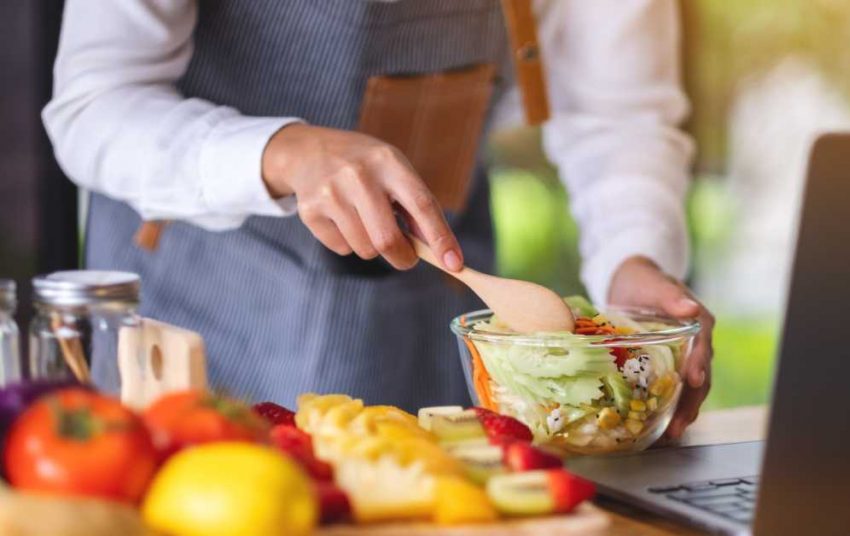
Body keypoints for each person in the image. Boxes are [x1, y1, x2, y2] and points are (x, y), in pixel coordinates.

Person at [43, 0, 713, 440]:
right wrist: (283, 151)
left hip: (427, 303)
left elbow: (618, 115)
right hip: (198, 296)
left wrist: (635, 255)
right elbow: (92, 106)